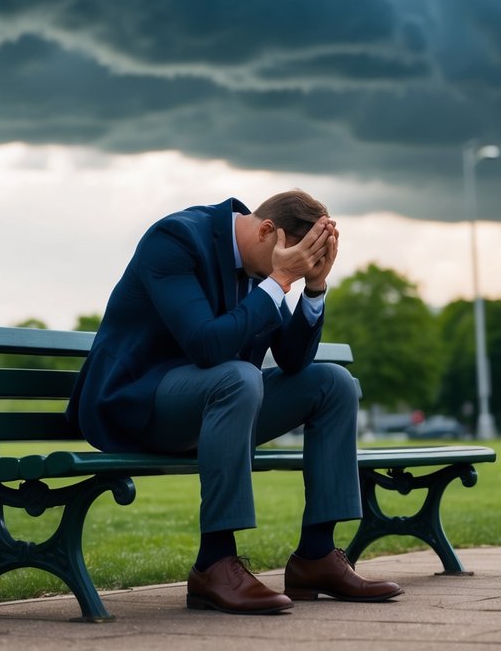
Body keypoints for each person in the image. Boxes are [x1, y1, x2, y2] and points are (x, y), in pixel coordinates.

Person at [67, 190, 401, 615]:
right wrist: (279, 281)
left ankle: (316, 557)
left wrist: (313, 287)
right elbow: (206, 345)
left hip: (221, 405)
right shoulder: (174, 240)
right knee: (239, 376)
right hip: (138, 405)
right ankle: (215, 564)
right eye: (295, 263)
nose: (291, 275)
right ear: (266, 231)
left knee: (333, 383)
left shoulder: (262, 258)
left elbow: (294, 360)